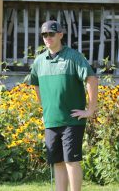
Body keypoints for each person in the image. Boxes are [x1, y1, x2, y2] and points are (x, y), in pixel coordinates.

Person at [30, 20, 98, 191]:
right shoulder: (39, 61)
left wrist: (90, 109)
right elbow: (35, 84)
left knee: (71, 161)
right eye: (44, 35)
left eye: (51, 34)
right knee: (57, 162)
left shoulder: (74, 57)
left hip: (72, 119)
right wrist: (44, 108)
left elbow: (91, 79)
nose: (48, 38)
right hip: (51, 120)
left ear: (61, 34)